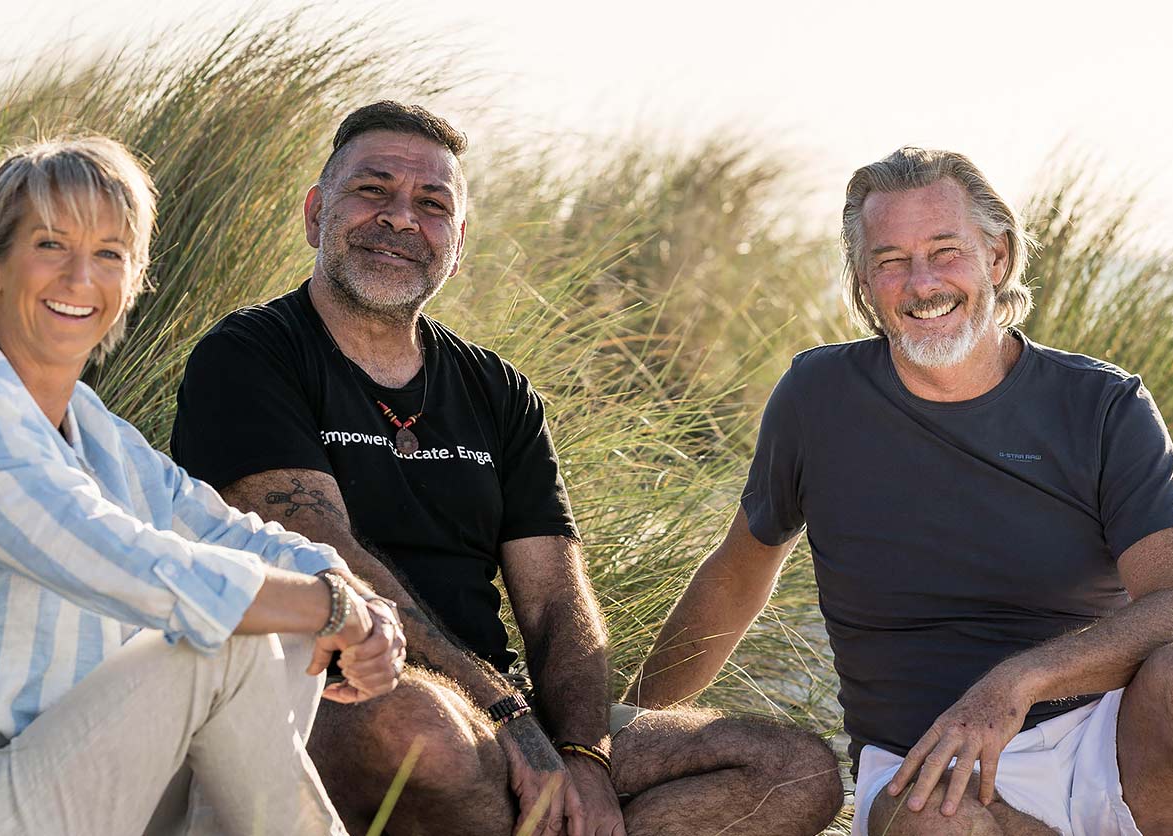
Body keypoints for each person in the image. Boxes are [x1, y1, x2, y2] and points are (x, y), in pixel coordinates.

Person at [171, 101, 843, 836]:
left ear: (457, 243)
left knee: (794, 768)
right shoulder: (249, 356)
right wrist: (507, 714)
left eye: (433, 204)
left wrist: (583, 753)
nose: (400, 218)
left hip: (500, 715)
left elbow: (556, 599)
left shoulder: (496, 390)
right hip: (327, 694)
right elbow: (325, 554)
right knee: (425, 730)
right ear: (315, 214)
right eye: (372, 189)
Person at [629, 146, 1173, 836]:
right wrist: (627, 729)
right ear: (864, 281)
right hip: (927, 769)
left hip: (1106, 751)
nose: (922, 282)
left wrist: (1016, 684)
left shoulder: (1102, 406)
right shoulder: (818, 398)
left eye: (945, 251)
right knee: (933, 819)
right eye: (891, 260)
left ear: (997, 257)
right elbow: (737, 576)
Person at [0, 136, 405, 836]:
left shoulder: (93, 427)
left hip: (60, 787)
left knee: (273, 613)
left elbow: (221, 531)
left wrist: (351, 594)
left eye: (109, 254)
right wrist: (330, 605)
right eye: (50, 245)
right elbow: (132, 567)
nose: (79, 278)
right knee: (230, 635)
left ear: (133, 280)